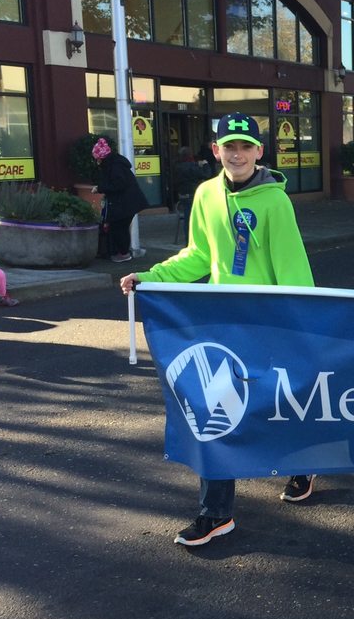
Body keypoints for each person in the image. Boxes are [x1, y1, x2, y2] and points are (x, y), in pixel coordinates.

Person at [119, 112, 318, 549]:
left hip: (267, 322)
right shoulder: (206, 194)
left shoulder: (275, 202)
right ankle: (216, 514)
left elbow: (292, 268)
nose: (237, 154)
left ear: (259, 152)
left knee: (278, 405)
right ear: (216, 150)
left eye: (246, 146)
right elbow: (196, 256)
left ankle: (302, 463)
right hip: (221, 322)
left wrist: (301, 317)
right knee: (217, 414)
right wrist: (151, 277)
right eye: (229, 146)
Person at [91, 137, 148, 263]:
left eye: (98, 159)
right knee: (120, 227)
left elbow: (119, 184)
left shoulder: (115, 166)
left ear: (102, 157)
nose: (97, 162)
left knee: (119, 227)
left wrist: (100, 188)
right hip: (127, 202)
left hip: (125, 203)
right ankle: (121, 252)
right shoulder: (116, 163)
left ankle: (123, 253)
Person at [172, 146, 210, 238]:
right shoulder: (192, 166)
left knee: (187, 217)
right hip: (192, 195)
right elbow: (206, 175)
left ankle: (188, 239)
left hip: (182, 195)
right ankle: (193, 238)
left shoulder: (177, 166)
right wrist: (205, 165)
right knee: (194, 218)